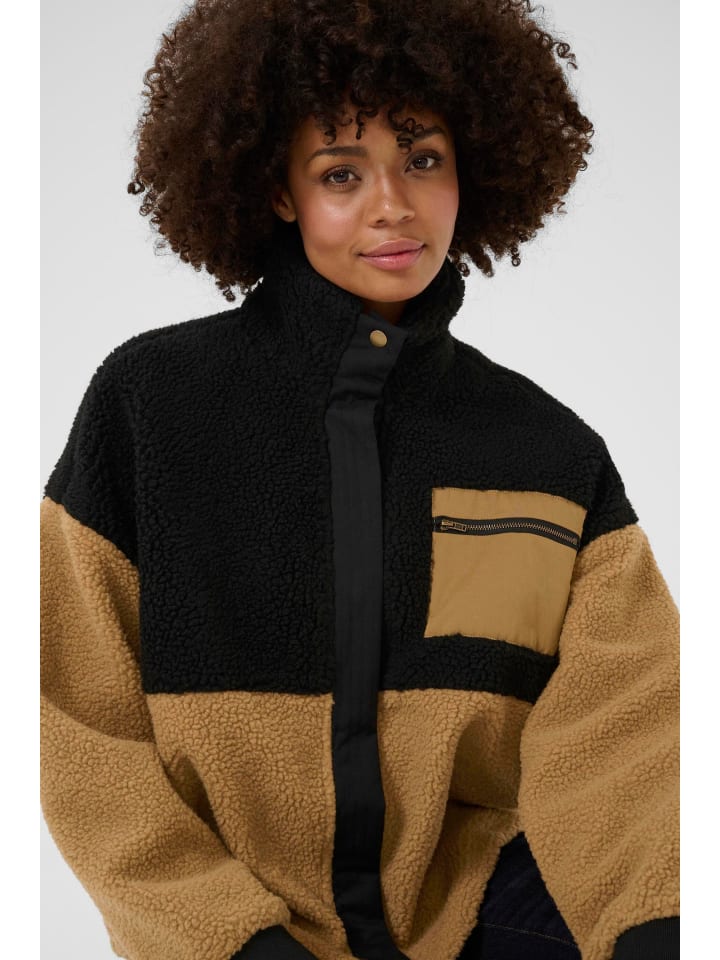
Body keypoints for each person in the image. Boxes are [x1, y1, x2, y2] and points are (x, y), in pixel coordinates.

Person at [40, 2, 679, 959]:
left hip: (477, 912)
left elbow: (626, 733)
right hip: (233, 928)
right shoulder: (151, 405)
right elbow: (73, 725)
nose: (393, 204)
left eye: (423, 159)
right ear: (279, 190)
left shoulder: (550, 451)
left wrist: (657, 926)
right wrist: (229, 941)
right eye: (342, 172)